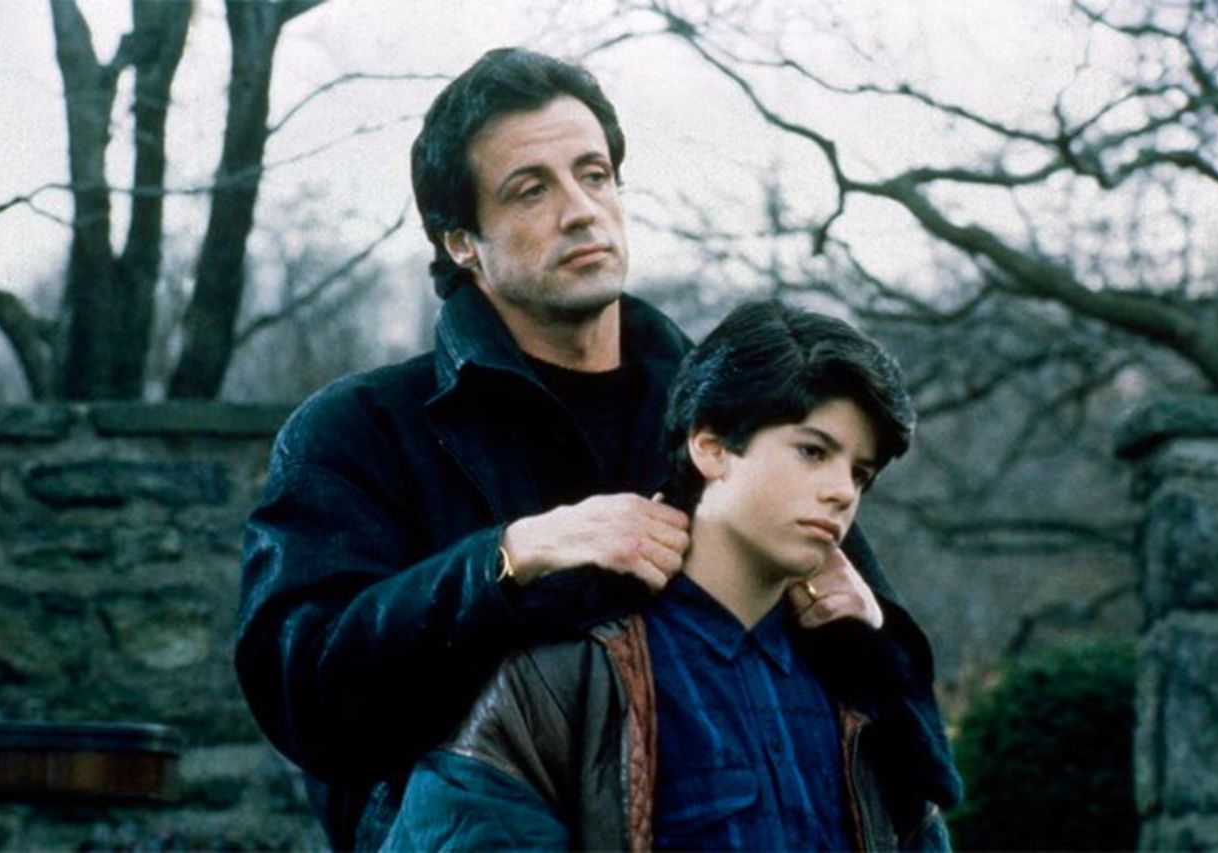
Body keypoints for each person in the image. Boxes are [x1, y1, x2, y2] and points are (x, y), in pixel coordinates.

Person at [234, 48, 944, 850]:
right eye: (531, 189)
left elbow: (909, 760)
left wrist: (875, 641)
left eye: (594, 175)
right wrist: (507, 560)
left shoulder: (740, 415)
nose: (580, 211)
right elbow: (305, 695)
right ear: (461, 241)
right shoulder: (359, 430)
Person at [386, 300, 961, 851]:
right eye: (813, 451)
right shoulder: (566, 676)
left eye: (860, 473)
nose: (841, 492)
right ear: (711, 446)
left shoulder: (863, 692)